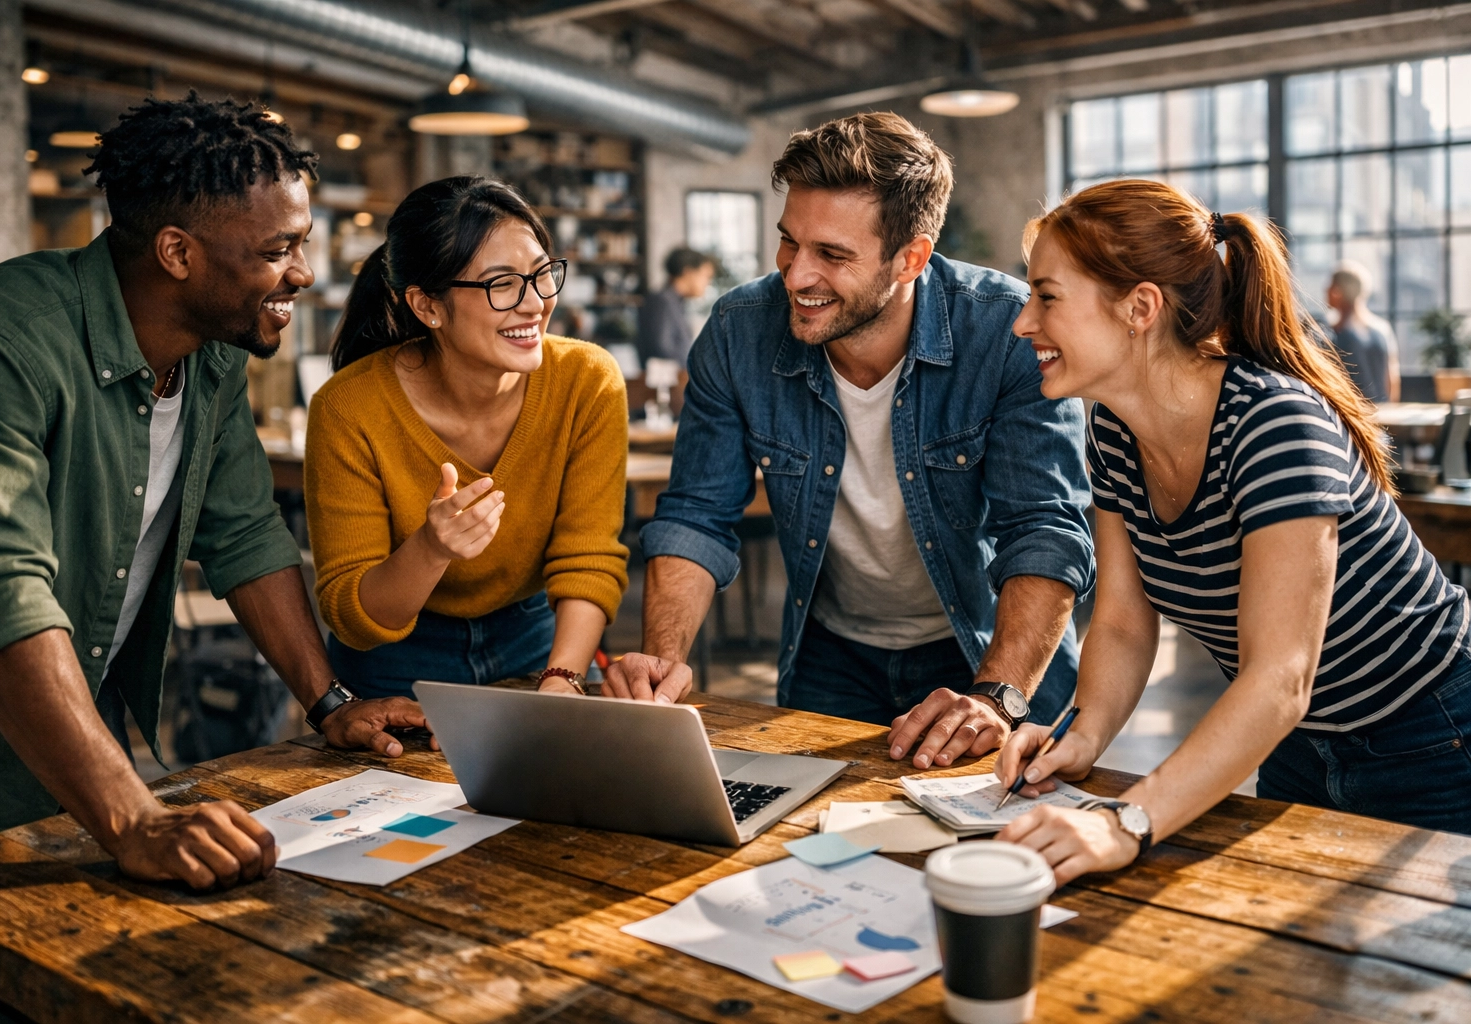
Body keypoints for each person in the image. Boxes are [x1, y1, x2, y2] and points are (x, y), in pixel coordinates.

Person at [0, 95, 429, 886]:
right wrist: (135, 818)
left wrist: (330, 701)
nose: (302, 273)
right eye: (279, 250)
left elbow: (243, 534)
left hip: (73, 751)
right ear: (177, 253)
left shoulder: (213, 356)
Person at [991, 180, 1471, 885]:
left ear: (1140, 307)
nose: (1022, 322)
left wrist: (1127, 821)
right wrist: (1081, 734)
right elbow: (1123, 623)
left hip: (1435, 736)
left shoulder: (1274, 424)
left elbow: (1281, 675)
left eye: (1048, 296)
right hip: (1295, 746)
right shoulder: (1114, 431)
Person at [604, 113, 1094, 770]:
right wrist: (661, 665)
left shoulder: (1009, 331)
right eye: (789, 243)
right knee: (806, 855)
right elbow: (696, 516)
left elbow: (1044, 531)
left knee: (997, 858)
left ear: (911, 258)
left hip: (986, 657)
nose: (796, 276)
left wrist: (996, 696)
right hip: (831, 656)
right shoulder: (737, 330)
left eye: (832, 256)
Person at [305, 176, 628, 699]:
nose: (535, 304)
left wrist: (563, 677)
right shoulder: (348, 408)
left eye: (542, 274)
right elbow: (352, 616)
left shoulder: (587, 380)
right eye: (502, 284)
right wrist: (430, 550)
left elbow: (588, 556)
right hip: (395, 661)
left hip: (538, 642)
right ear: (427, 306)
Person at [1326, 260, 1399, 404]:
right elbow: (1392, 381)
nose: (1326, 291)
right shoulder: (1382, 328)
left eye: (1329, 286)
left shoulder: (1334, 332)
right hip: (1382, 415)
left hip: (1351, 417)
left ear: (1337, 292)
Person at [637, 247, 715, 365]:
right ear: (688, 272)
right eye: (706, 276)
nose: (708, 283)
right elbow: (662, 348)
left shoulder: (675, 302)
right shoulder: (662, 301)